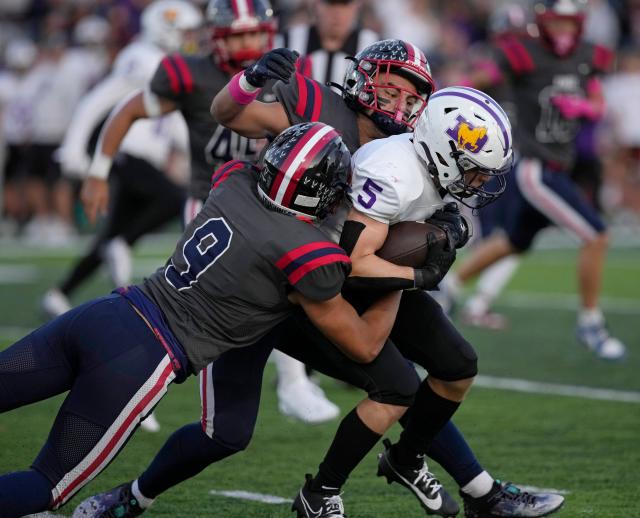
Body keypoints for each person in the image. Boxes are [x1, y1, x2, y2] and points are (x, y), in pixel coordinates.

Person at [75, 43, 562, 518]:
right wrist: (250, 80)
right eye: (390, 91)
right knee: (226, 433)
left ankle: (474, 488)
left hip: (345, 269)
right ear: (364, 80)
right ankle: (133, 497)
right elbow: (229, 113)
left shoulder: (422, 144)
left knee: (446, 366)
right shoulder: (316, 104)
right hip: (274, 280)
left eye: (412, 99)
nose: (401, 105)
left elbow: (405, 213)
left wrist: (439, 228)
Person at [0, 122, 409, 518]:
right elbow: (365, 344)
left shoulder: (233, 182)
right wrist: (406, 276)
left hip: (105, 312)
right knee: (46, 485)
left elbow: (255, 152)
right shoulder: (307, 254)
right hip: (140, 357)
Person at [79, 0, 342, 426]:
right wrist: (97, 170)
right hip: (213, 204)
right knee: (189, 315)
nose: (249, 42)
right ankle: (132, 388)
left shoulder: (291, 75)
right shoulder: (191, 74)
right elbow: (128, 109)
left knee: (281, 291)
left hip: (269, 205)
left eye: (255, 33)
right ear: (217, 37)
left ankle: (293, 380)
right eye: (238, 34)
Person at [439, 0, 626, 361]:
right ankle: (591, 323)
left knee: (513, 242)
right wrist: (450, 95)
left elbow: (597, 100)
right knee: (597, 235)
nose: (563, 32)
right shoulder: (523, 53)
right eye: (557, 24)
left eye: (569, 24)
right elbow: (483, 76)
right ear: (543, 24)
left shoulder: (588, 55)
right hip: (535, 166)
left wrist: (587, 109)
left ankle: (448, 287)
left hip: (559, 164)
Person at [272, 0, 380, 425]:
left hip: (362, 172)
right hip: (300, 170)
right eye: (330, 4)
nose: (337, 14)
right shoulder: (291, 43)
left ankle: (329, 359)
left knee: (351, 262)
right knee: (295, 266)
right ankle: (293, 377)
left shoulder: (374, 47)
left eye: (345, 5)